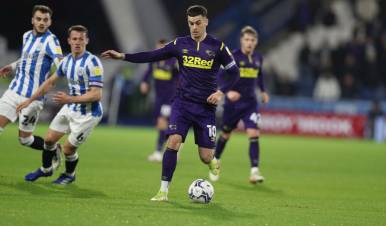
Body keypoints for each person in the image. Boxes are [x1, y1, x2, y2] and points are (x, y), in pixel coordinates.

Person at [102, 5, 239, 201]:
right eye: (191, 23)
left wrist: (221, 92)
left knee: (205, 156)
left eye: (198, 23)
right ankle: (163, 191)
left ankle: (213, 161)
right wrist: (123, 56)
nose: (194, 27)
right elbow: (151, 55)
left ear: (206, 22)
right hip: (182, 104)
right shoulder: (179, 44)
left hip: (205, 109)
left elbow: (235, 73)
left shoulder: (218, 46)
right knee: (173, 141)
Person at [17, 25, 104, 185]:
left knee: (68, 149)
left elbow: (96, 94)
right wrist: (29, 100)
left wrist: (70, 99)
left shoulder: (93, 62)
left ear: (87, 41)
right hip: (70, 107)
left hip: (88, 114)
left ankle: (69, 174)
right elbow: (50, 82)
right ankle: (46, 169)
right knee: (49, 140)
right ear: (69, 41)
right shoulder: (66, 61)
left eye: (81, 39)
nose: (78, 42)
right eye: (75, 39)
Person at [0, 5, 63, 167]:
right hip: (14, 91)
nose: (42, 22)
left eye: (45, 20)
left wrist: (60, 71)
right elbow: (27, 58)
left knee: (25, 139)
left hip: (33, 97)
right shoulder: (27, 36)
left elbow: (61, 64)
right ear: (32, 20)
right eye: (39, 19)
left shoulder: (51, 41)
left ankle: (53, 148)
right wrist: (13, 66)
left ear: (50, 22)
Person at [214, 26, 270, 183]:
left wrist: (263, 91)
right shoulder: (233, 56)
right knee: (225, 134)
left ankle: (254, 171)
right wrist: (228, 91)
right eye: (246, 40)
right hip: (233, 105)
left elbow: (259, 75)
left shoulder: (258, 57)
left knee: (254, 133)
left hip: (250, 104)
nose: (249, 43)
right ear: (241, 41)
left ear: (256, 42)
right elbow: (220, 76)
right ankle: (215, 160)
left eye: (252, 40)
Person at [140, 39, 179, 162]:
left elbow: (181, 77)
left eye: (161, 48)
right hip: (158, 98)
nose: (158, 51)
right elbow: (148, 73)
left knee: (162, 122)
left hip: (170, 97)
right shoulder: (154, 61)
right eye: (157, 48)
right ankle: (174, 149)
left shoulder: (173, 61)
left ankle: (158, 152)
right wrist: (144, 82)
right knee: (161, 124)